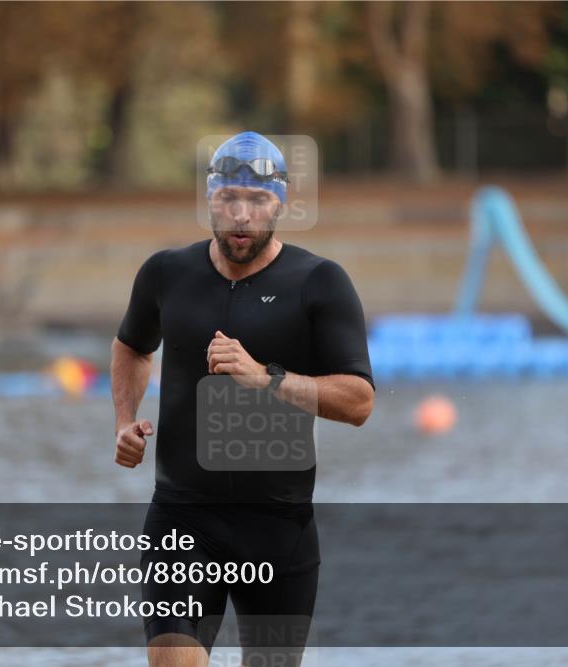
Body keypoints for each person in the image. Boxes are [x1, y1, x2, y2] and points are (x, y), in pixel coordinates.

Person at [111, 131, 374, 667]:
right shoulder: (166, 273)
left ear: (282, 201)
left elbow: (359, 402)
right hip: (182, 518)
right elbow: (132, 347)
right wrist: (124, 419)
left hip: (278, 526)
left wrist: (266, 379)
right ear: (209, 198)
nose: (241, 216)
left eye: (257, 201)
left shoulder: (319, 282)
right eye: (229, 198)